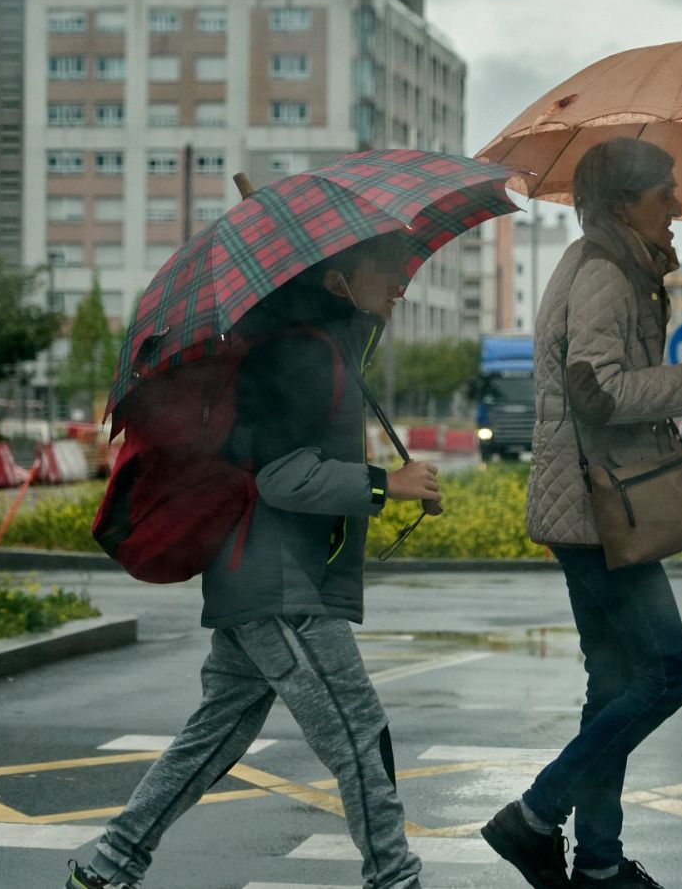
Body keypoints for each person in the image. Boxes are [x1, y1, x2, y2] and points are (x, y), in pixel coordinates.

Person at [67, 233, 438, 889]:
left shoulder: (321, 346)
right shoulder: (303, 355)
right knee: (357, 734)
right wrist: (385, 485)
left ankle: (106, 871)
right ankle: (396, 880)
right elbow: (281, 478)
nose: (402, 286)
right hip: (279, 585)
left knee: (213, 739)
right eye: (387, 271)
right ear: (338, 282)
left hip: (259, 577)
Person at [480, 137, 682, 889]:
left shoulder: (606, 263)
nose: (679, 207)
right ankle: (533, 815)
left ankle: (596, 862)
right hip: (600, 508)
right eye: (665, 194)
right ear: (624, 202)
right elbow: (600, 393)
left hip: (596, 502)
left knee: (612, 684)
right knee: (666, 677)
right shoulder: (603, 274)